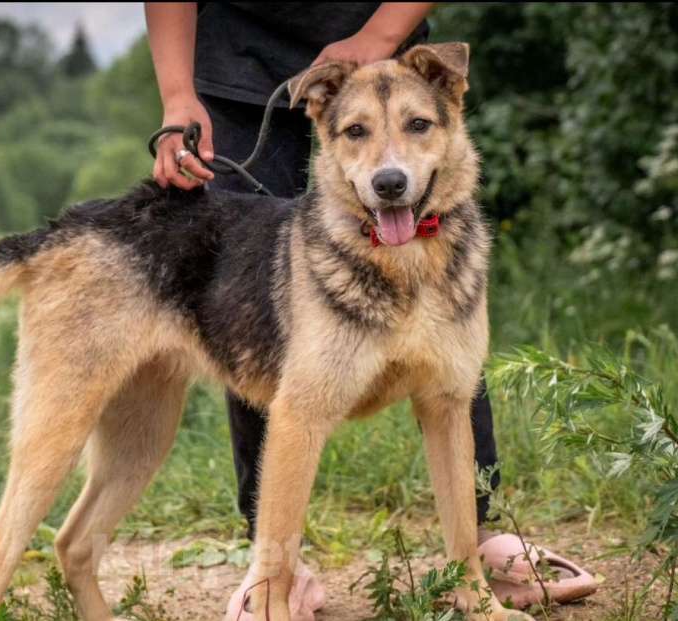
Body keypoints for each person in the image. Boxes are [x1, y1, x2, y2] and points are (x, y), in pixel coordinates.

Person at [144, 4, 597, 619]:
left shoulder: (424, 92)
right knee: (254, 312)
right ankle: (276, 568)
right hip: (235, 65)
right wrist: (177, 95)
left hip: (388, 41)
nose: (392, 166)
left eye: (418, 130)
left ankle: (478, 545)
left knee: (450, 370)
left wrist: (378, 38)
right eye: (364, 139)